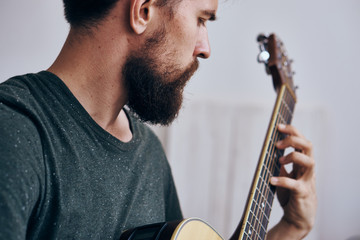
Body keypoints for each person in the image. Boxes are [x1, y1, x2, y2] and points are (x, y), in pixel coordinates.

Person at [0, 0, 317, 239]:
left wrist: (291, 227)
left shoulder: (148, 153)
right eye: (201, 19)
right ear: (143, 11)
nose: (205, 49)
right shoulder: (15, 132)